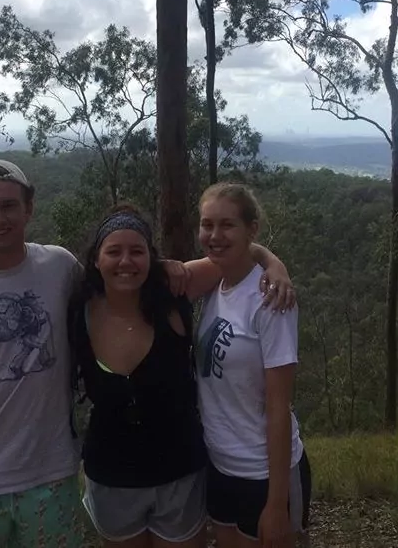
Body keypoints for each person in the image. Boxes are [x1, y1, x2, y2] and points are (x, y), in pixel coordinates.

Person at [0, 159, 295, 548]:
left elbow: (229, 255)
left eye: (8, 205)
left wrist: (272, 264)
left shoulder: (62, 268)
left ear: (29, 209)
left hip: (71, 478)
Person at [69, 205, 296, 548]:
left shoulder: (173, 292)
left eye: (137, 251)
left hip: (179, 473)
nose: (125, 261)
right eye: (114, 251)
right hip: (112, 477)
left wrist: (274, 265)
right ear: (96, 260)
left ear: (151, 257)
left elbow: (235, 252)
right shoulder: (79, 310)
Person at [194, 183, 311, 548]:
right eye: (207, 224)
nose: (215, 235)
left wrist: (277, 503)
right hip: (221, 467)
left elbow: (278, 406)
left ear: (251, 229)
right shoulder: (215, 283)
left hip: (264, 473)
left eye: (227, 225)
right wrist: (269, 257)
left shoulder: (271, 300)